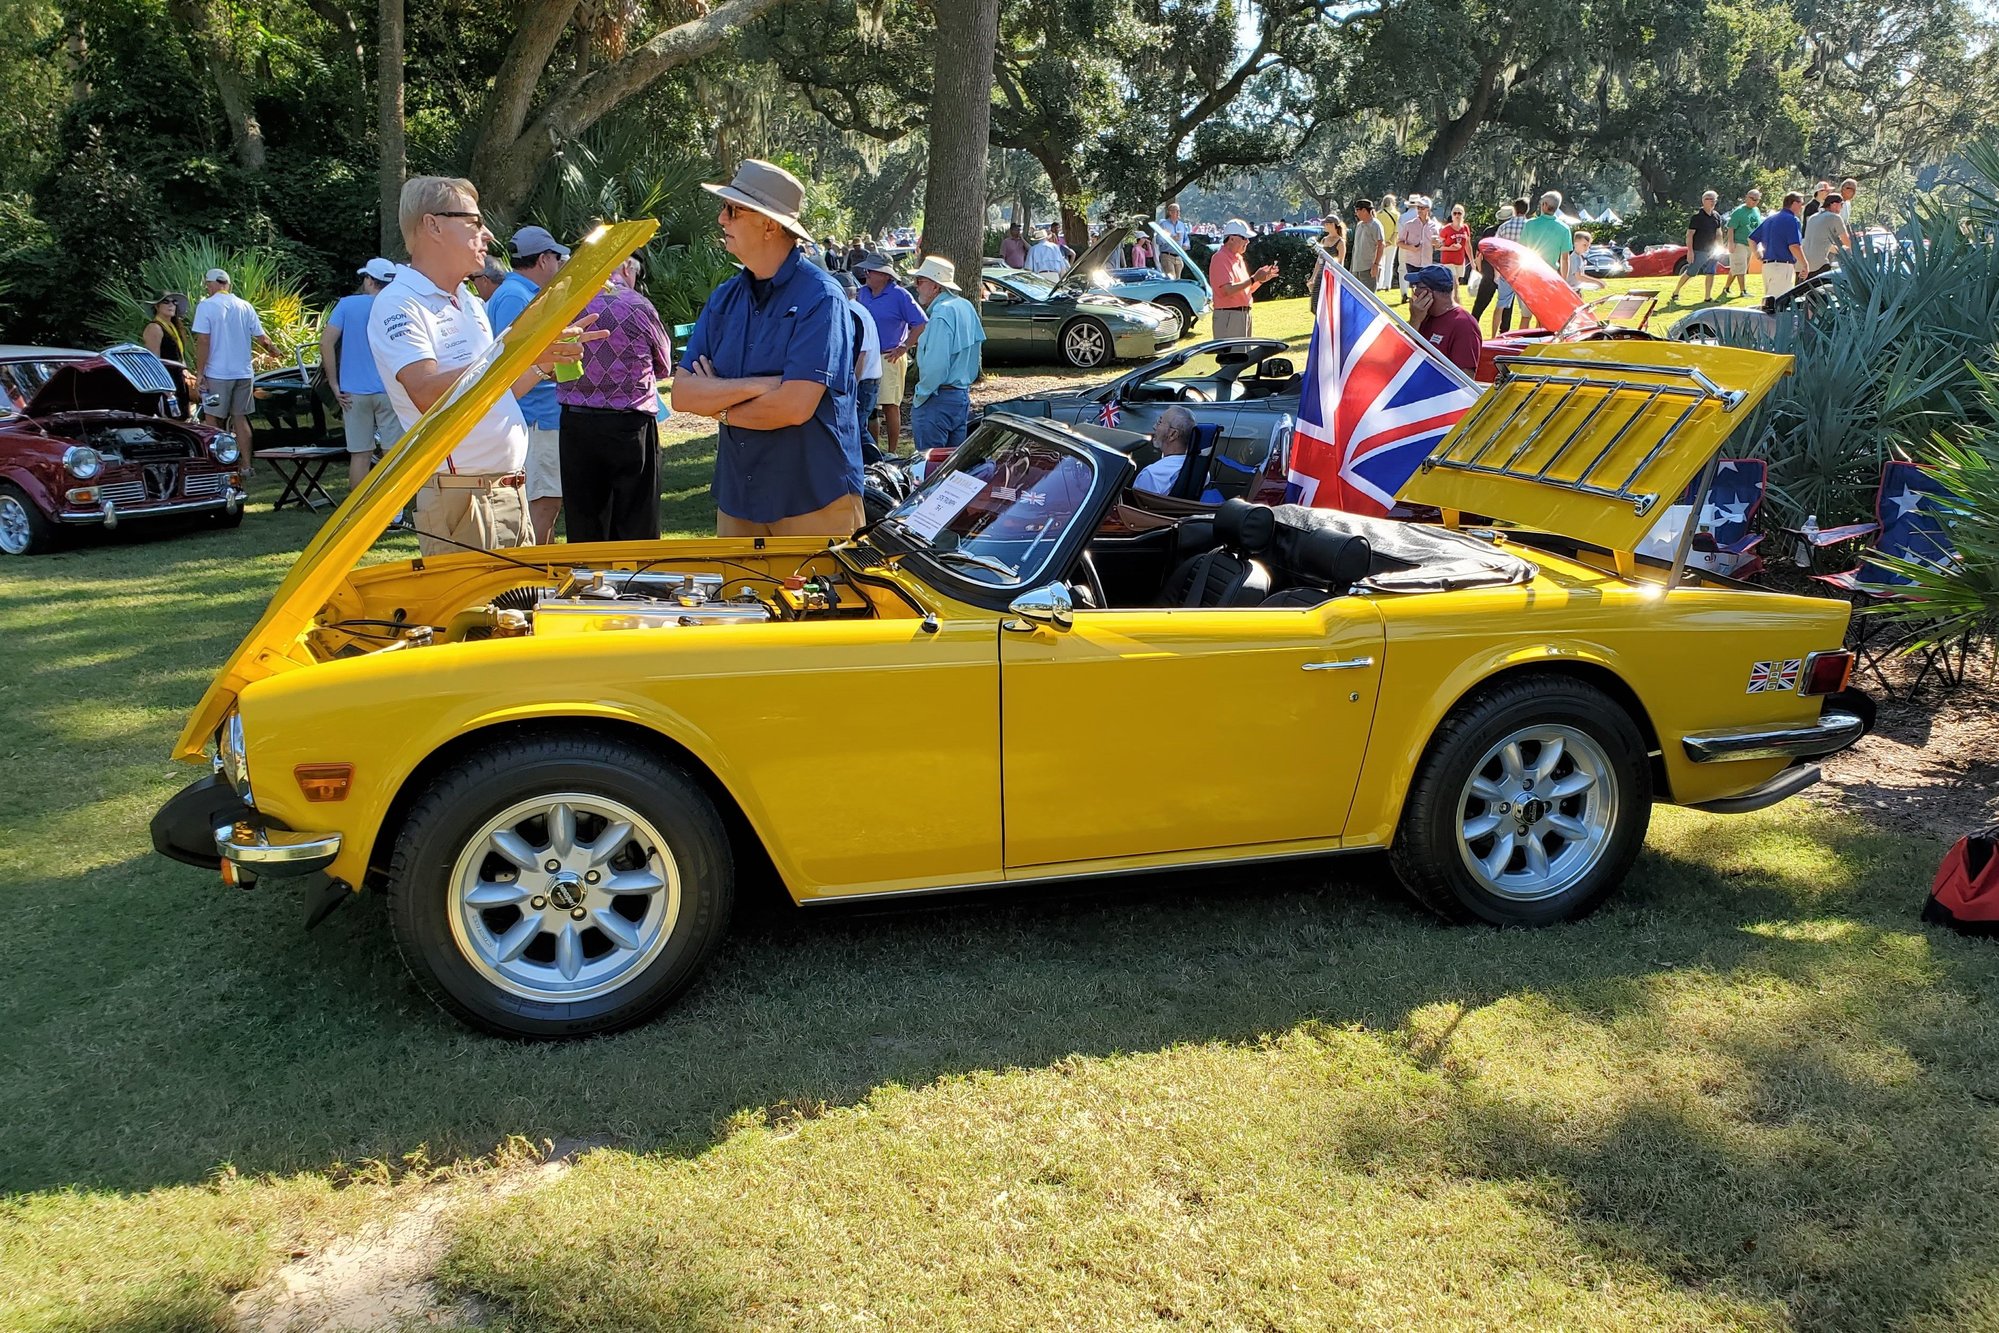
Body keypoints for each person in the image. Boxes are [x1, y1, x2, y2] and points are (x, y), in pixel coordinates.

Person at [366, 175, 600, 557]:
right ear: (433, 225)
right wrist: (515, 351)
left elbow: (493, 390)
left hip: (506, 491)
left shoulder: (468, 299)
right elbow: (426, 392)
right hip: (464, 500)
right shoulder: (398, 303)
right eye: (474, 223)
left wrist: (539, 364)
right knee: (477, 617)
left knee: (515, 615)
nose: (487, 234)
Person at [675, 158, 863, 537]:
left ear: (769, 224)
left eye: (732, 209)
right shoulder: (724, 298)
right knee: (735, 599)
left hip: (812, 501)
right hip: (738, 499)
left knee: (817, 599)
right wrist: (758, 386)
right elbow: (682, 394)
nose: (721, 220)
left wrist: (718, 405)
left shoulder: (821, 299)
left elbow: (793, 407)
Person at [556, 253, 674, 543]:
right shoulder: (637, 305)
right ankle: (637, 586)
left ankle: (590, 585)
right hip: (630, 423)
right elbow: (664, 364)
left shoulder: (566, 304)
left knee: (584, 523)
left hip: (576, 422)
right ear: (625, 267)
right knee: (637, 521)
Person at [487, 225, 571, 543]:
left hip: (540, 411)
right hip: (536, 414)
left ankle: (542, 569)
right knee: (545, 499)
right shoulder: (514, 296)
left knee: (549, 497)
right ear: (543, 259)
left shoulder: (519, 293)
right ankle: (537, 572)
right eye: (557, 257)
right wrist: (552, 368)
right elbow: (512, 361)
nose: (559, 264)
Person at [320, 257, 403, 486]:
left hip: (353, 392)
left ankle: (357, 512)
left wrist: (334, 384)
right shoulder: (398, 304)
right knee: (392, 453)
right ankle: (392, 509)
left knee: (360, 454)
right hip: (389, 389)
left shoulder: (347, 305)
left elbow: (326, 343)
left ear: (369, 280)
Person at [192, 268, 276, 469]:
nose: (207, 288)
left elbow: (203, 340)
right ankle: (247, 466)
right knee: (240, 417)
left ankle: (217, 465)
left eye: (207, 285)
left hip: (217, 373)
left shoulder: (206, 306)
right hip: (243, 373)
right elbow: (262, 338)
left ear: (212, 284)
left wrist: (200, 372)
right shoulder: (244, 306)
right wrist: (274, 349)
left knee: (213, 419)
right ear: (227, 284)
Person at [907, 256, 984, 452]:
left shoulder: (941, 313)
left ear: (936, 286)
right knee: (951, 472)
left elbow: (936, 366)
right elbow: (976, 353)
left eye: (920, 281)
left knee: (930, 470)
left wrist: (921, 395)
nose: (916, 286)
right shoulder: (965, 306)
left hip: (937, 398)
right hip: (960, 396)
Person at [853, 253, 927, 450]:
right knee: (868, 407)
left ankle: (892, 452)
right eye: (867, 270)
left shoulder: (899, 295)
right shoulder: (863, 293)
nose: (866, 274)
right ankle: (872, 449)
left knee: (889, 405)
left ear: (886, 275)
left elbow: (920, 323)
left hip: (889, 356)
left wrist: (904, 346)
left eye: (872, 271)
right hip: (866, 356)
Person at [836, 270, 883, 461]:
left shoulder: (853, 313)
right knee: (858, 428)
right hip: (867, 380)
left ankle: (878, 466)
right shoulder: (858, 310)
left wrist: (851, 388)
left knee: (855, 429)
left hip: (863, 381)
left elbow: (860, 354)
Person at [1208, 219, 1277, 339]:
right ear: (1232, 238)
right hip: (1229, 315)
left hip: (1243, 314)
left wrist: (1260, 280)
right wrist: (1254, 278)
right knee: (1233, 356)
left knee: (1243, 355)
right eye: (1244, 238)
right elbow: (1228, 290)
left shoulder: (1238, 259)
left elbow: (1246, 290)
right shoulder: (1220, 258)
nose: (1247, 241)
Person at [1407, 266, 1480, 376]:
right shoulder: (1422, 316)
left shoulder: (1464, 325)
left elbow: (1466, 380)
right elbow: (1397, 356)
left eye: (1418, 287)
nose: (1415, 292)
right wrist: (1414, 321)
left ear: (1429, 292)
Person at [1668, 191, 1727, 306]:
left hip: (1713, 250)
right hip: (1699, 250)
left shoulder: (1716, 216)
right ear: (1703, 200)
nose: (1713, 202)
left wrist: (1721, 247)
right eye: (1710, 199)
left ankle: (1708, 297)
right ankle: (1676, 292)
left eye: (1714, 199)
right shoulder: (1697, 217)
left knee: (1711, 272)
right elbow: (1689, 234)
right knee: (1691, 272)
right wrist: (1690, 251)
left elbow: (1718, 233)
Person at [1750, 192, 1808, 297]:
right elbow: (1794, 246)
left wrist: (1757, 254)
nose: (1802, 207)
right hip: (1782, 266)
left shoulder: (1770, 219)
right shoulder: (1792, 220)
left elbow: (1751, 239)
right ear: (1794, 203)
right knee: (1780, 303)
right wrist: (1804, 264)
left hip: (1767, 266)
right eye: (1801, 204)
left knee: (1769, 301)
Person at [140, 291, 195, 394]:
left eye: (174, 302)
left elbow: (179, 355)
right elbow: (154, 361)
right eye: (166, 302)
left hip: (178, 378)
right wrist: (163, 386)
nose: (171, 305)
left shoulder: (174, 327)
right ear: (157, 306)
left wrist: (185, 372)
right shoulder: (154, 327)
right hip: (166, 381)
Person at [1134, 406, 1197, 494]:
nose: (1154, 427)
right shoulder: (1199, 471)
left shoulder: (1152, 475)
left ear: (1172, 434)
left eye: (1159, 422)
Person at [1492, 198, 1531, 333]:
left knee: (1500, 305)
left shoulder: (1504, 227)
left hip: (1506, 270)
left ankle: (1493, 335)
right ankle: (1522, 336)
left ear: (1514, 209)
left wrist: (1496, 271)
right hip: (1524, 270)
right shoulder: (1530, 226)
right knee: (1525, 310)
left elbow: (1495, 249)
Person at [1395, 197, 1441, 303]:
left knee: (1426, 290)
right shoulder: (1409, 224)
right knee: (1415, 290)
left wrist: (1437, 244)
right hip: (1412, 262)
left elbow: (1439, 244)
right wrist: (1410, 248)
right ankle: (1415, 312)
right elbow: (1399, 242)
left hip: (1427, 263)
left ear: (1428, 209)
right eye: (1418, 207)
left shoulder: (1434, 226)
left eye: (1422, 208)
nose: (1419, 210)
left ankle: (1424, 314)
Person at [1469, 206, 1509, 325]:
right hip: (1504, 271)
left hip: (1488, 270)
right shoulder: (1509, 231)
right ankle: (1504, 329)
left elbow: (1480, 252)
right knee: (1506, 305)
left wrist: (1480, 268)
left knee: (1480, 303)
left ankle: (1473, 323)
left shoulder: (1489, 231)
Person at [1721, 188, 1763, 300]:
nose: (1754, 201)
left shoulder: (1756, 211)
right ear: (1746, 197)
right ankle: (1743, 291)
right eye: (1752, 198)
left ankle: (1726, 288)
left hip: (1750, 244)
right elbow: (1731, 228)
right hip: (1739, 243)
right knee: (1741, 267)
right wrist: (1730, 243)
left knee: (1737, 267)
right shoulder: (1739, 212)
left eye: (1757, 199)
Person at [1519, 191, 1572, 274]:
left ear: (1545, 205)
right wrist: (1564, 282)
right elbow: (1565, 259)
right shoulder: (1564, 229)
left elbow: (1522, 249)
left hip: (1531, 271)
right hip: (1550, 273)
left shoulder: (1529, 224)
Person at [1803, 194, 1850, 272]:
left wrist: (1842, 250)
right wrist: (1858, 250)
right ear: (1834, 204)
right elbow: (1846, 241)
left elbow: (1821, 243)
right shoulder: (1835, 217)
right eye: (1841, 204)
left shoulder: (1813, 217)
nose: (1842, 208)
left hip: (1803, 264)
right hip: (1819, 265)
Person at [1349, 199, 1387, 292]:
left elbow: (1381, 245)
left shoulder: (1375, 225)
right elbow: (1356, 247)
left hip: (1368, 268)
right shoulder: (1359, 225)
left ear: (1364, 210)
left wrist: (1376, 265)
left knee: (1368, 299)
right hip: (1356, 268)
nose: (1356, 213)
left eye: (1357, 210)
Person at [1438, 205, 1472, 287]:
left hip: (1460, 260)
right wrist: (1449, 248)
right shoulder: (1446, 229)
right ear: (1452, 215)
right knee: (1453, 282)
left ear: (1463, 215)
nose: (1457, 215)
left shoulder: (1465, 228)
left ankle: (1452, 298)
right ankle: (1455, 298)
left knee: (1456, 281)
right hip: (1448, 260)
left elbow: (1467, 245)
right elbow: (1437, 246)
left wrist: (1472, 261)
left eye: (1459, 213)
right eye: (1455, 213)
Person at [1160, 202, 1191, 277]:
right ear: (1170, 212)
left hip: (1179, 256)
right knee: (1172, 278)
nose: (1178, 213)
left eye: (1179, 211)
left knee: (1178, 280)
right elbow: (1159, 240)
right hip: (1167, 256)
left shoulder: (1181, 225)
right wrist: (1172, 238)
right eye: (1176, 211)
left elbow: (1186, 239)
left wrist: (1186, 245)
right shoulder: (1164, 224)